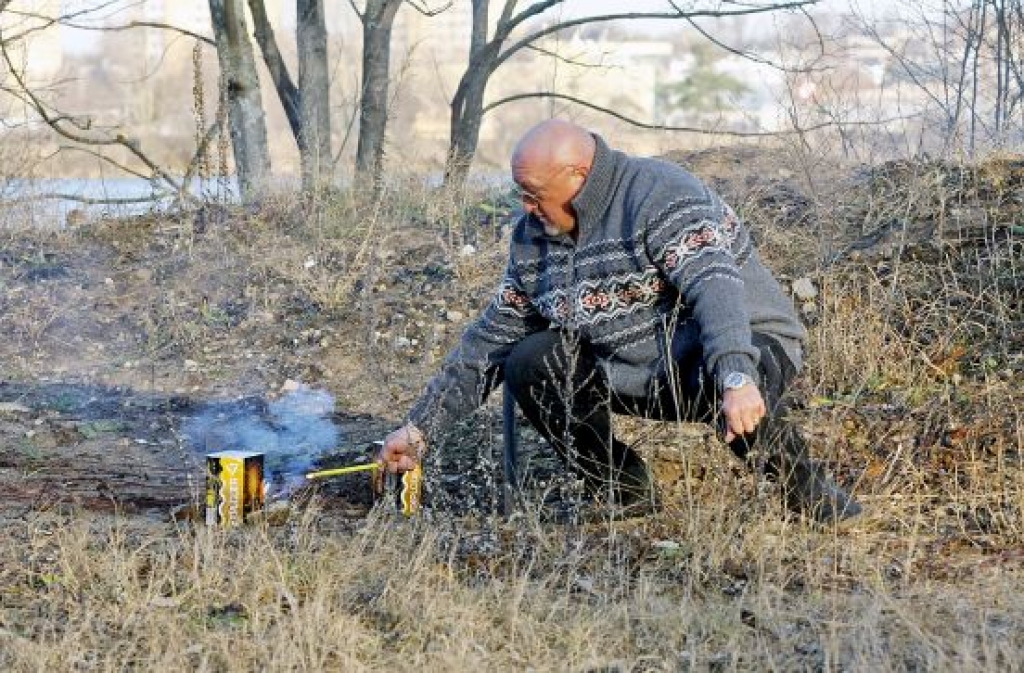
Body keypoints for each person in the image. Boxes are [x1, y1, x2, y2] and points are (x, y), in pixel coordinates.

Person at [379, 119, 861, 523]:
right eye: (520, 193)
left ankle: (809, 494)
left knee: (727, 376)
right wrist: (418, 429)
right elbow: (490, 340)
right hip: (636, 372)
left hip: (739, 349)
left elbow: (715, 287)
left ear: (578, 175)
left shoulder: (661, 195)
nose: (524, 207)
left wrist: (736, 375)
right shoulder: (532, 239)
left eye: (533, 194)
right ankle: (626, 491)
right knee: (528, 359)